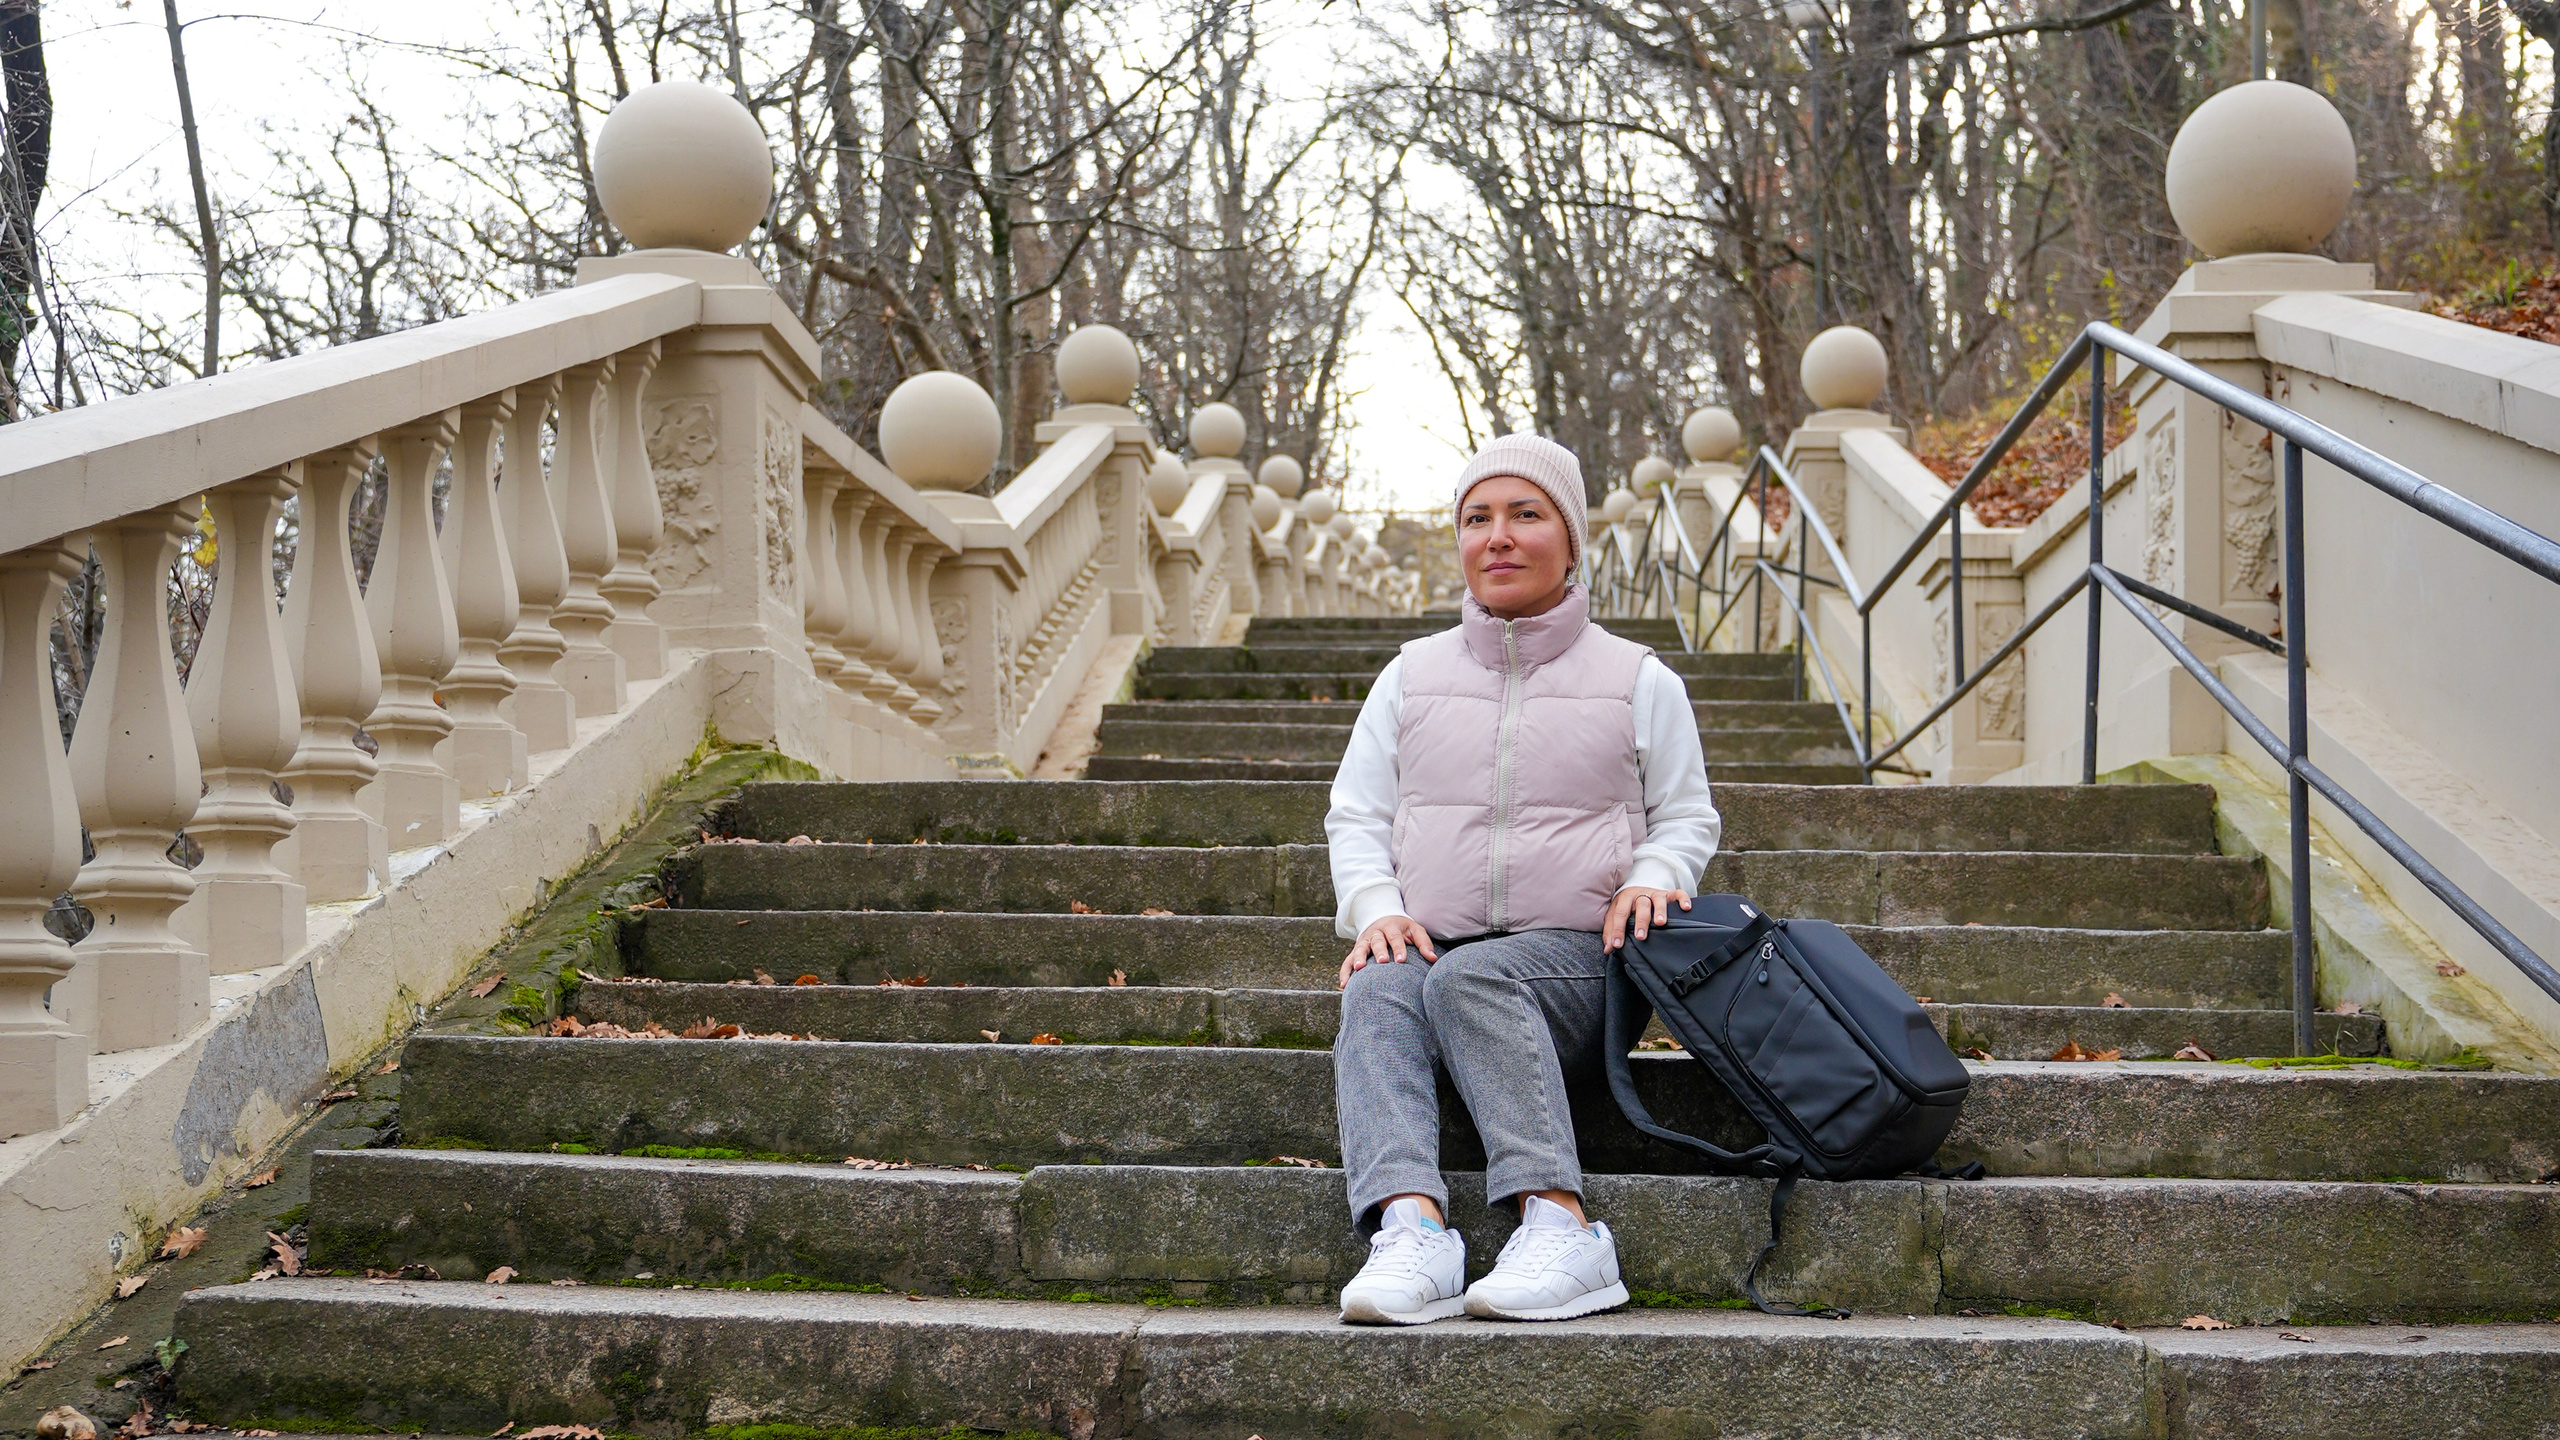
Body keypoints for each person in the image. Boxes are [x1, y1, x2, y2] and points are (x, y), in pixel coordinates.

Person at [1325, 432, 1721, 1325]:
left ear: (1572, 539)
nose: (1497, 536)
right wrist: (1377, 910)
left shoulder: (1637, 679)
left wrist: (1654, 873)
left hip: (1585, 964)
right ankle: (1412, 1230)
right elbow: (1357, 814)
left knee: (1473, 976)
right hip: (1444, 944)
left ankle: (1562, 1225)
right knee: (1381, 986)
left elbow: (1688, 813)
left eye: (1525, 514)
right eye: (1477, 518)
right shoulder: (1410, 676)